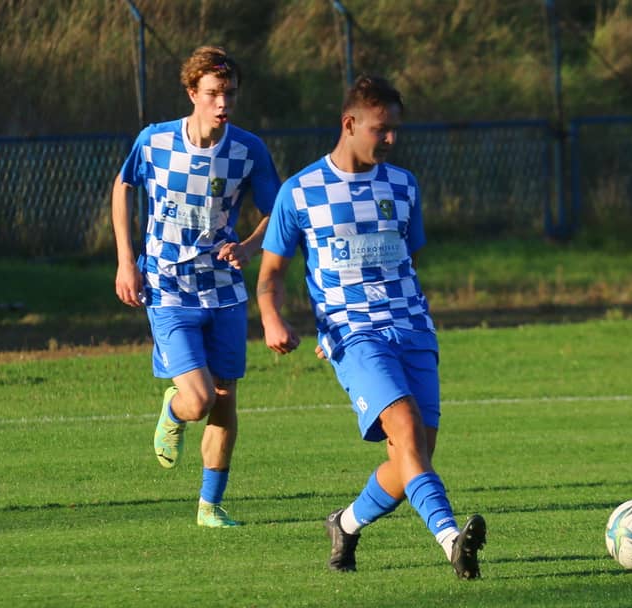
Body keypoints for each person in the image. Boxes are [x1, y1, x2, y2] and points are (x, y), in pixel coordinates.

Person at [256, 75, 486, 578]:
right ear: (349, 124)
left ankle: (345, 524)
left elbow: (409, 260)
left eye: (395, 129)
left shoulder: (403, 185)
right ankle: (451, 541)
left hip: (414, 330)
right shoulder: (300, 192)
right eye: (381, 129)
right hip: (354, 335)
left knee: (411, 458)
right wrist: (273, 319)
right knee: (405, 429)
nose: (391, 139)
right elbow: (270, 276)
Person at [111, 46, 281, 528]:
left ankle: (210, 506)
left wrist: (249, 246)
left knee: (225, 397)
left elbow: (279, 212)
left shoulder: (248, 150)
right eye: (213, 93)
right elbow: (123, 187)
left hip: (224, 289)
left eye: (230, 93)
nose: (223, 103)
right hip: (167, 286)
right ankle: (174, 408)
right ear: (192, 93)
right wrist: (125, 261)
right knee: (199, 398)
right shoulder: (155, 141)